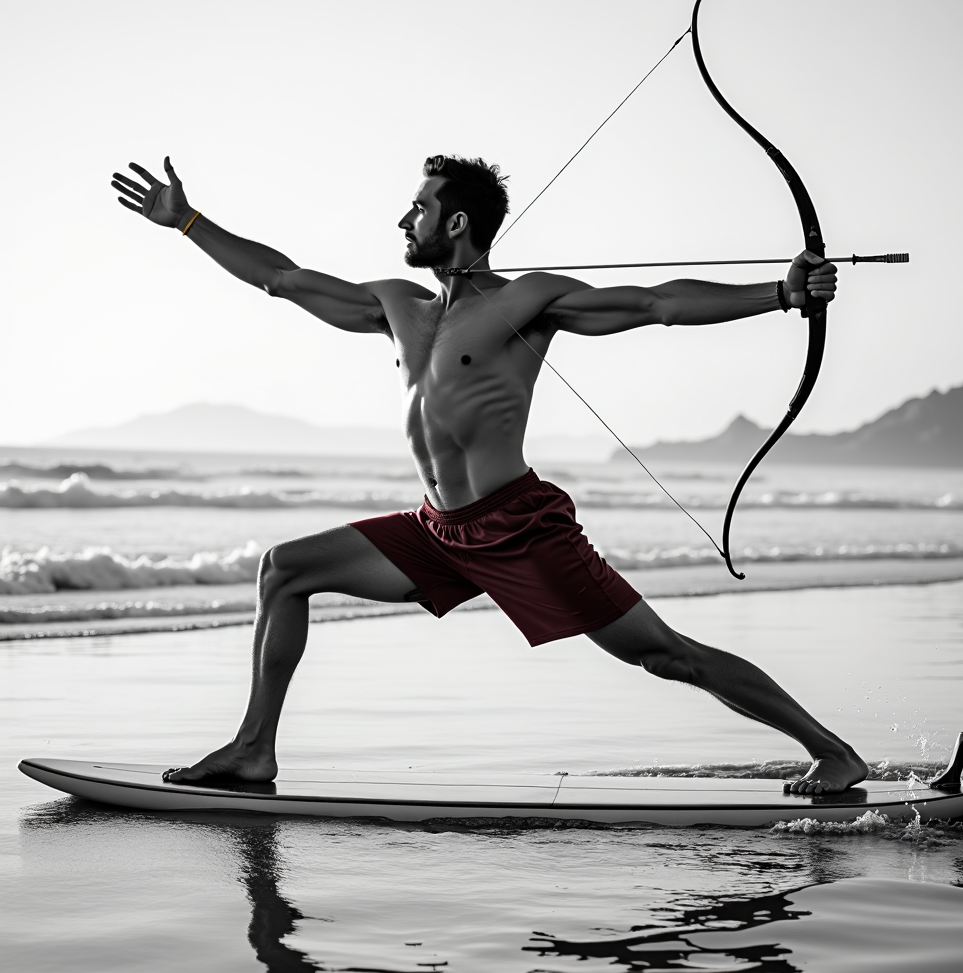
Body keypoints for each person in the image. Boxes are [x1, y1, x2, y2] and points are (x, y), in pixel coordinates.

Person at [111, 154, 867, 795]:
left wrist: (780, 294)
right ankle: (252, 750)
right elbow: (281, 278)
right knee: (284, 570)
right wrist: (188, 222)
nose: (403, 222)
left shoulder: (526, 300)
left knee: (665, 655)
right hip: (437, 531)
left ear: (457, 223)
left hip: (517, 525)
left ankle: (831, 751)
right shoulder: (395, 305)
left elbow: (654, 303)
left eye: (417, 208)